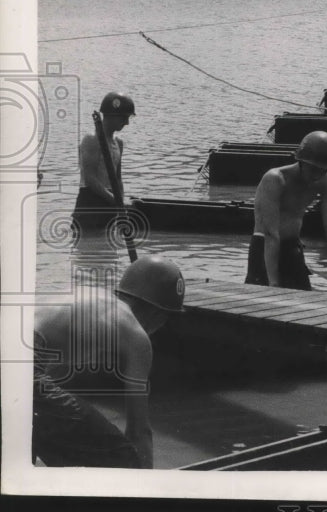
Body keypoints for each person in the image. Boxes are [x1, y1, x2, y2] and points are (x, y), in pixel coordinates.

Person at [32, 255, 185, 468]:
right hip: (28, 364)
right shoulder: (136, 334)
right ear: (159, 315)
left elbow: (47, 400)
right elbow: (139, 430)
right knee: (123, 457)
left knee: (33, 434)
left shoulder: (89, 299)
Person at [246, 130, 327, 293]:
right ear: (302, 162)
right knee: (261, 303)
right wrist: (273, 284)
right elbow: (271, 234)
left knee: (303, 302)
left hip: (292, 246)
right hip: (265, 248)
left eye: (322, 170)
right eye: (313, 169)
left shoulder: (325, 180)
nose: (317, 176)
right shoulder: (275, 179)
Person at [72, 92, 135, 249]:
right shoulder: (91, 140)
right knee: (87, 249)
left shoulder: (118, 143)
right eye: (124, 118)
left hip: (110, 201)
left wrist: (121, 201)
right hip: (90, 202)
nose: (127, 122)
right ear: (111, 116)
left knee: (109, 249)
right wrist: (115, 201)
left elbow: (118, 178)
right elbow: (90, 178)